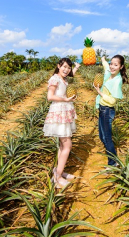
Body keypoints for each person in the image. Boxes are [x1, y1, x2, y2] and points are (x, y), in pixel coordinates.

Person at [43, 58, 80, 188]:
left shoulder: (63, 79)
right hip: (60, 113)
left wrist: (76, 68)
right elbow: (50, 96)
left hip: (65, 112)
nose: (66, 70)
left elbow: (70, 77)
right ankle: (57, 178)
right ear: (58, 66)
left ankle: (59, 171)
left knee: (62, 145)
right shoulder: (55, 79)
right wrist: (65, 99)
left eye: (68, 68)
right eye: (64, 67)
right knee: (67, 145)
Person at [94, 55, 129, 167]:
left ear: (121, 66)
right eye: (111, 63)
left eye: (116, 64)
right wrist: (103, 60)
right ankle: (111, 155)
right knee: (101, 135)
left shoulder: (117, 80)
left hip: (107, 110)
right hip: (102, 108)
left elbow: (113, 101)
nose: (112, 66)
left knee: (107, 137)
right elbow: (106, 67)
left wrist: (100, 93)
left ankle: (113, 162)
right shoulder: (109, 73)